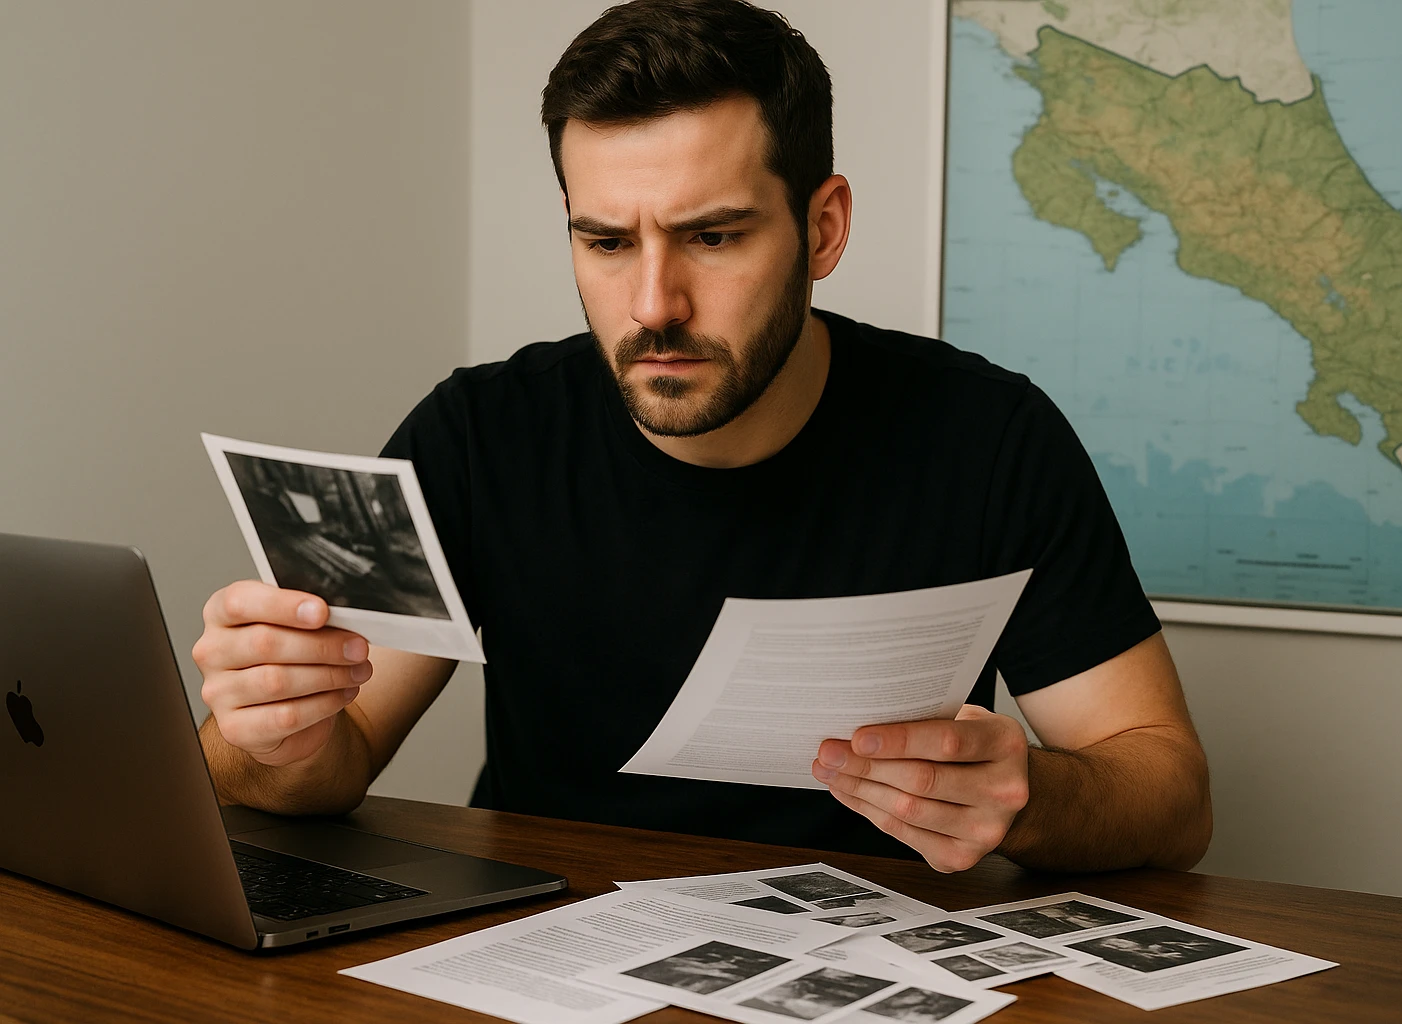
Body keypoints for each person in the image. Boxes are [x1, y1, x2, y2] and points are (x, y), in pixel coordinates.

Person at [193, 0, 1211, 874]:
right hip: (546, 962)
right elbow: (330, 764)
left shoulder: (989, 437)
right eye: (604, 241)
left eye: (713, 236)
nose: (653, 304)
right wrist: (271, 729)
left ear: (823, 229)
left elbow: (1170, 794)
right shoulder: (479, 432)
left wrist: (1029, 798)